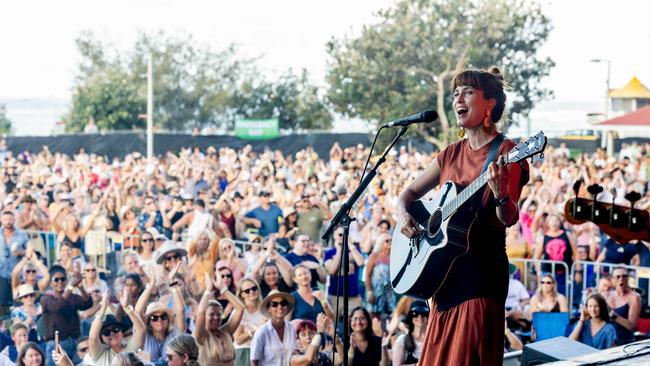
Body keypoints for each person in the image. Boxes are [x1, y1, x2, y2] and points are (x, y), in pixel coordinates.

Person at [397, 67, 528, 365]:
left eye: (468, 92)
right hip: (445, 277)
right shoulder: (449, 153)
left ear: (489, 103)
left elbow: (508, 218)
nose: (459, 97)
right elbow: (406, 195)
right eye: (456, 93)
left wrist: (500, 193)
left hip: (480, 277)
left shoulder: (507, 151)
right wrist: (403, 214)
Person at [41, 265, 92, 366]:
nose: (60, 282)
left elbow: (87, 303)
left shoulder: (72, 297)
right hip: (57, 344)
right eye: (56, 279)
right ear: (51, 283)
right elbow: (58, 306)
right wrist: (70, 286)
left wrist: (80, 287)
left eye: (63, 279)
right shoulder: (46, 299)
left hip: (75, 341)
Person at [193, 272, 245, 366]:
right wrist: (208, 290)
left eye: (219, 314)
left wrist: (223, 289)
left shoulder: (226, 331)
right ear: (204, 316)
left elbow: (240, 309)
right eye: (211, 314)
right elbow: (200, 312)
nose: (216, 317)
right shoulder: (201, 335)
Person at [86, 289, 145, 366]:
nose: (112, 334)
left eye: (116, 330)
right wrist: (103, 308)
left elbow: (141, 330)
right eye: (106, 333)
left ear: (121, 332)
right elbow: (93, 339)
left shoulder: (131, 347)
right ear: (102, 338)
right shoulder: (99, 354)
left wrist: (127, 308)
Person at [250, 290, 298, 366]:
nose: (280, 307)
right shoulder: (261, 332)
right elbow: (254, 362)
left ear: (286, 307)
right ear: (269, 309)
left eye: (283, 303)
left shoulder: (292, 329)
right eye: (274, 304)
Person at [1, 211, 29, 316]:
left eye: (10, 219)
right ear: (1, 220)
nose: (8, 222)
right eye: (5, 219)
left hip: (17, 275)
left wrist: (20, 251)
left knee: (18, 303)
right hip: (1, 274)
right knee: (2, 305)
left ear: (14, 220)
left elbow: (30, 252)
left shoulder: (22, 234)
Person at [233, 278, 266, 366]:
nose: (251, 292)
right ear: (242, 294)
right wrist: (256, 329)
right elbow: (238, 339)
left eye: (254, 288)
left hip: (263, 351)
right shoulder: (239, 311)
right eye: (247, 291)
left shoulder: (264, 309)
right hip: (245, 352)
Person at [606, 267, 641, 345]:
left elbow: (631, 326)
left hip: (624, 341)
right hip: (607, 338)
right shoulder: (607, 295)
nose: (621, 279)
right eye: (618, 277)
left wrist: (613, 315)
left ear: (628, 279)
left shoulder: (634, 297)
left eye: (624, 276)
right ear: (612, 280)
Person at [365, 234, 397, 317]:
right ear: (381, 242)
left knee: (390, 316)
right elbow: (367, 275)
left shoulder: (395, 256)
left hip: (390, 292)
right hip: (376, 292)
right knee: (374, 316)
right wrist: (369, 292)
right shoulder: (374, 256)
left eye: (391, 240)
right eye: (387, 241)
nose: (390, 242)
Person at [392, 300, 428, 366]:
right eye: (415, 314)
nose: (420, 317)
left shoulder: (433, 339)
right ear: (411, 317)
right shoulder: (402, 340)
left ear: (428, 317)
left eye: (423, 314)